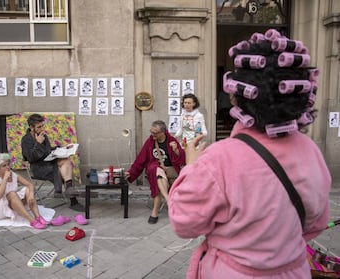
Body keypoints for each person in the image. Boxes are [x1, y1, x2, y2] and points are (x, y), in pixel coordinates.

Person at [168, 30, 331, 278]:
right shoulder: (311, 151)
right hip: (294, 270)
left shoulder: (219, 159)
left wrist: (191, 166)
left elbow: (184, 221)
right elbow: (316, 223)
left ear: (237, 95)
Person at [21, 113, 84, 212]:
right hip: (38, 168)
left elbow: (48, 150)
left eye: (42, 126)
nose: (42, 128)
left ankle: (69, 190)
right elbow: (30, 158)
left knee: (65, 159)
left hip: (48, 163)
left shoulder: (43, 136)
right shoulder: (26, 140)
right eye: (39, 127)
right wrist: (38, 143)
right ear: (31, 127)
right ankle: (73, 200)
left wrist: (62, 148)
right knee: (62, 169)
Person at [125, 120, 185, 224]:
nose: (152, 135)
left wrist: (176, 151)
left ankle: (155, 212)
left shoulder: (172, 141)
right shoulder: (150, 142)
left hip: (171, 172)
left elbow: (181, 160)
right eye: (151, 132)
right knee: (155, 170)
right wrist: (131, 172)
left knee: (158, 180)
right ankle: (167, 199)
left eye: (155, 133)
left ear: (163, 132)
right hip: (156, 171)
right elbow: (140, 160)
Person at [0, 153, 48, 229]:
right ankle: (32, 221)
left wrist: (31, 195)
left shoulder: (13, 174)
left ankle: (38, 217)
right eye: (4, 166)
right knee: (12, 193)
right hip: (1, 208)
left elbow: (30, 184)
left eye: (8, 164)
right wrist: (5, 179)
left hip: (14, 203)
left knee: (27, 189)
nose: (8, 167)